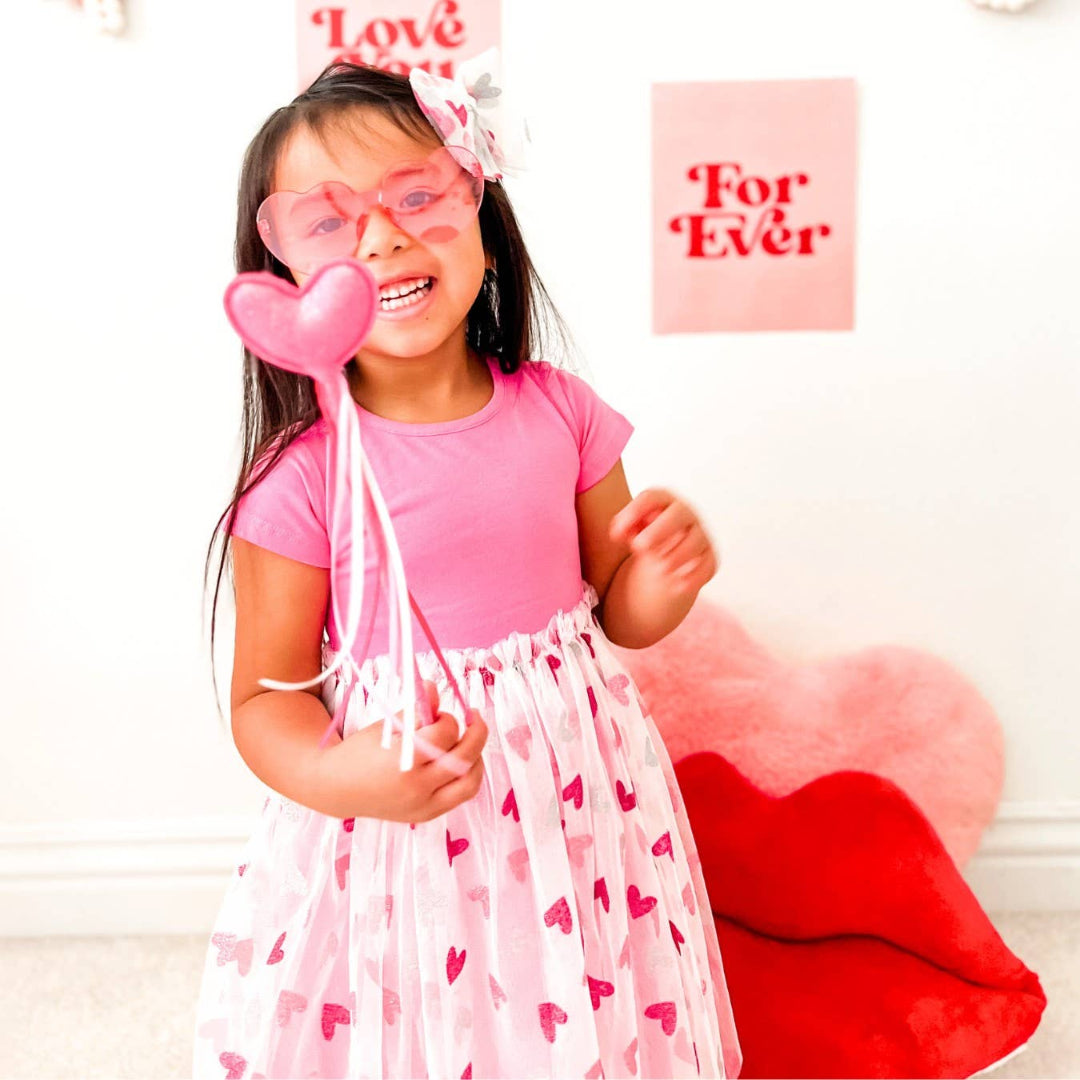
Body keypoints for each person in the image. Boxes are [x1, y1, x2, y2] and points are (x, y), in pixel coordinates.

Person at [193, 52, 743, 1080]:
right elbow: (265, 699)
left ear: (484, 226)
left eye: (417, 196)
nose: (385, 236)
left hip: (575, 789)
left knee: (576, 986)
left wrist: (662, 582)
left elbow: (617, 611)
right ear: (287, 285)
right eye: (329, 221)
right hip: (406, 800)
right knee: (425, 1011)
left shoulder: (563, 414)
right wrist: (331, 772)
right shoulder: (300, 483)